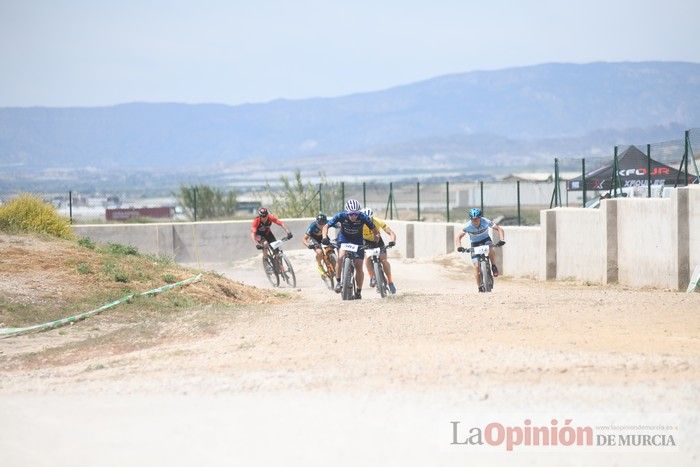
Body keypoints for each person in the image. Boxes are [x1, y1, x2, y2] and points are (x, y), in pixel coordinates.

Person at [321, 199, 379, 299]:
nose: (354, 216)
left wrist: (376, 239)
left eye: (356, 214)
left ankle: (358, 291)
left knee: (359, 266)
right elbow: (326, 226)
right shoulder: (340, 216)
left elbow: (374, 230)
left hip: (358, 240)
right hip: (344, 238)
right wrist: (324, 237)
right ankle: (338, 282)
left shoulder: (363, 217)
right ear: (347, 212)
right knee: (340, 257)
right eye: (351, 214)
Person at [455, 207, 505, 292]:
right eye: (473, 219)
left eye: (477, 219)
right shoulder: (468, 226)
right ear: (470, 219)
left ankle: (493, 266)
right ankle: (479, 287)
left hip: (486, 240)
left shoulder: (485, 221)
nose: (475, 221)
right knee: (476, 267)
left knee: (490, 247)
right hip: (474, 243)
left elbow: (498, 229)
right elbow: (458, 237)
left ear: (480, 217)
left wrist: (502, 239)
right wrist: (459, 246)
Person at [360, 207, 398, 294]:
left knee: (384, 261)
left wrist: (392, 241)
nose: (367, 221)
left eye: (369, 219)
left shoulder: (378, 221)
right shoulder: (359, 223)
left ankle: (390, 281)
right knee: (368, 258)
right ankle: (372, 277)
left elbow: (391, 233)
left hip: (377, 241)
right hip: (366, 241)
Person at [303, 212, 329, 276]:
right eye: (320, 223)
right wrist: (308, 245)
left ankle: (331, 261)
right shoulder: (312, 226)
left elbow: (338, 224)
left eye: (323, 223)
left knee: (331, 247)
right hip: (314, 239)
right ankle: (319, 265)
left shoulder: (328, 222)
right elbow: (304, 239)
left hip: (323, 236)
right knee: (319, 252)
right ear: (316, 222)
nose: (321, 225)